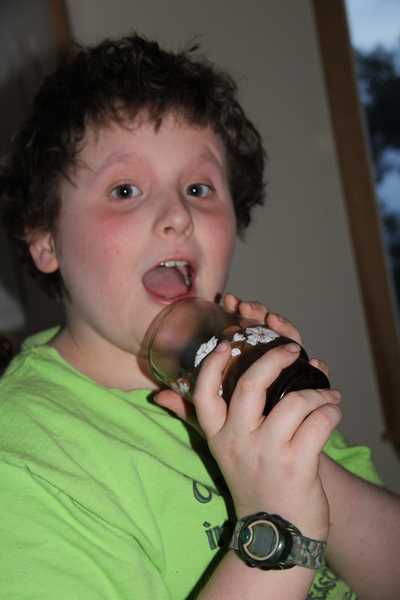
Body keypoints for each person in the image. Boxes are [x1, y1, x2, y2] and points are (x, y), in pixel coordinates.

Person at [0, 33, 398, 600]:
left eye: (198, 187)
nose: (178, 215)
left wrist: (287, 450)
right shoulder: (23, 460)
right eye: (125, 189)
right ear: (45, 238)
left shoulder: (251, 372)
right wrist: (278, 527)